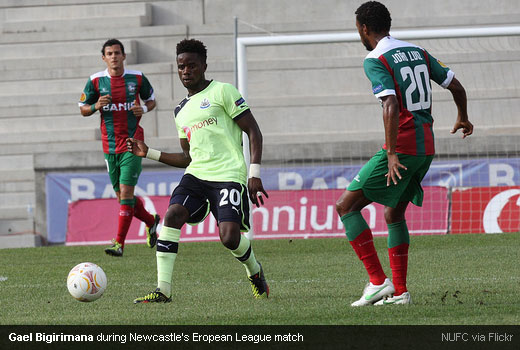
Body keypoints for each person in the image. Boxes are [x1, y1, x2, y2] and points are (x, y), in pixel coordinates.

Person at [336, 1, 473, 306]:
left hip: (404, 147)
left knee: (346, 207)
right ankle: (400, 293)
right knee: (393, 213)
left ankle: (376, 282)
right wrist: (462, 116)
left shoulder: (375, 59)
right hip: (427, 147)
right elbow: (456, 85)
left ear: (363, 29)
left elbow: (391, 105)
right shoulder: (417, 52)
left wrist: (392, 153)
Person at [128, 39, 269, 303]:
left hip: (228, 175)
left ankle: (254, 270)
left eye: (192, 65)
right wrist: (148, 152)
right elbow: (187, 157)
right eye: (181, 67)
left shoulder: (223, 91)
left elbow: (253, 131)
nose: (186, 71)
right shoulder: (181, 111)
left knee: (229, 238)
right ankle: (163, 290)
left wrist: (254, 173)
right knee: (172, 215)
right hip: (196, 175)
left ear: (204, 66)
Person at [78, 38, 160, 257]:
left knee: (126, 193)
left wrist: (143, 107)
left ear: (124, 56)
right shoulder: (95, 81)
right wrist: (95, 106)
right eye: (109, 53)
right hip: (109, 146)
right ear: (104, 58)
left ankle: (119, 244)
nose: (114, 57)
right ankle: (152, 222)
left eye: (117, 53)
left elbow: (152, 101)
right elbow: (83, 108)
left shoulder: (137, 78)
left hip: (133, 143)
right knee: (123, 198)